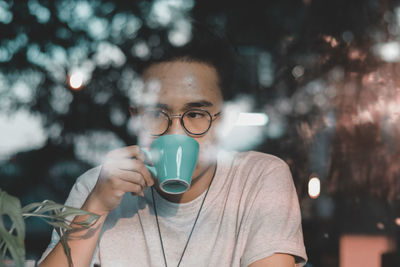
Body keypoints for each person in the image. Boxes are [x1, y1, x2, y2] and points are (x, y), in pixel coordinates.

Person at [39, 22, 307, 267]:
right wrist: (96, 206)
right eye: (157, 115)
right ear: (136, 119)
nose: (176, 133)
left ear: (221, 122)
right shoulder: (95, 187)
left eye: (195, 114)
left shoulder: (258, 179)